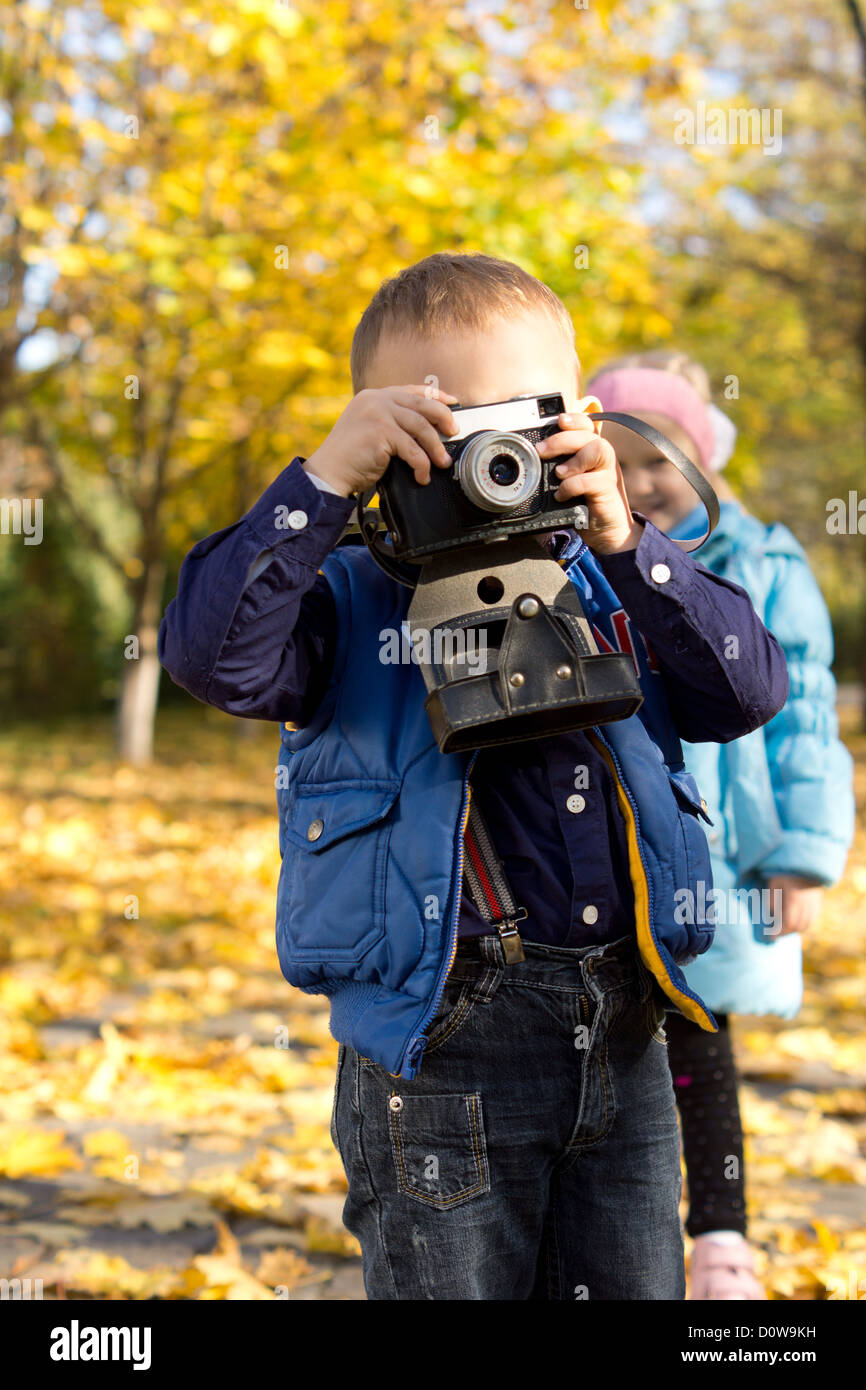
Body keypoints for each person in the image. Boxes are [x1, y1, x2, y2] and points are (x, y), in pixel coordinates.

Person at [159, 253, 789, 1300]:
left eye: (520, 428)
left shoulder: (619, 573)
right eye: (446, 437)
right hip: (437, 1053)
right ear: (379, 433)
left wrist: (628, 539)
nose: (487, 464)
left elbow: (747, 692)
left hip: (623, 1037)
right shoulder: (350, 600)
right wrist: (319, 485)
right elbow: (211, 657)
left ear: (577, 424)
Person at [588, 350, 855, 1299]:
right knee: (608, 1046)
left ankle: (722, 1242)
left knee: (701, 1044)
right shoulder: (584, 555)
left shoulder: (764, 565)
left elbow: (807, 720)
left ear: (704, 457)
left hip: (717, 859)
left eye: (662, 459)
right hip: (609, 856)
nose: (643, 483)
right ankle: (615, 1241)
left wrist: (804, 859)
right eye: (620, 461)